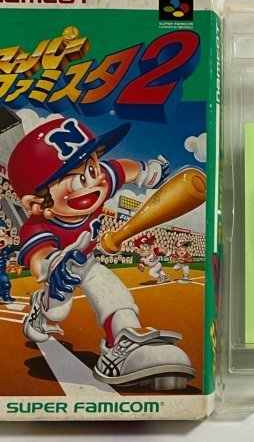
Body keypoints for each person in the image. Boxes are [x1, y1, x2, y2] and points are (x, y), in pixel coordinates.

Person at [8, 117, 194, 390]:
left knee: (107, 286)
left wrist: (146, 171)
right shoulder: (36, 226)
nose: (91, 182)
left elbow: (119, 169)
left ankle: (122, 343)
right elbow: (39, 256)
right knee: (58, 310)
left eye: (91, 168)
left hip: (88, 260)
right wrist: (54, 266)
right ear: (37, 203)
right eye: (75, 180)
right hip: (60, 270)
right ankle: (42, 309)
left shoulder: (101, 175)